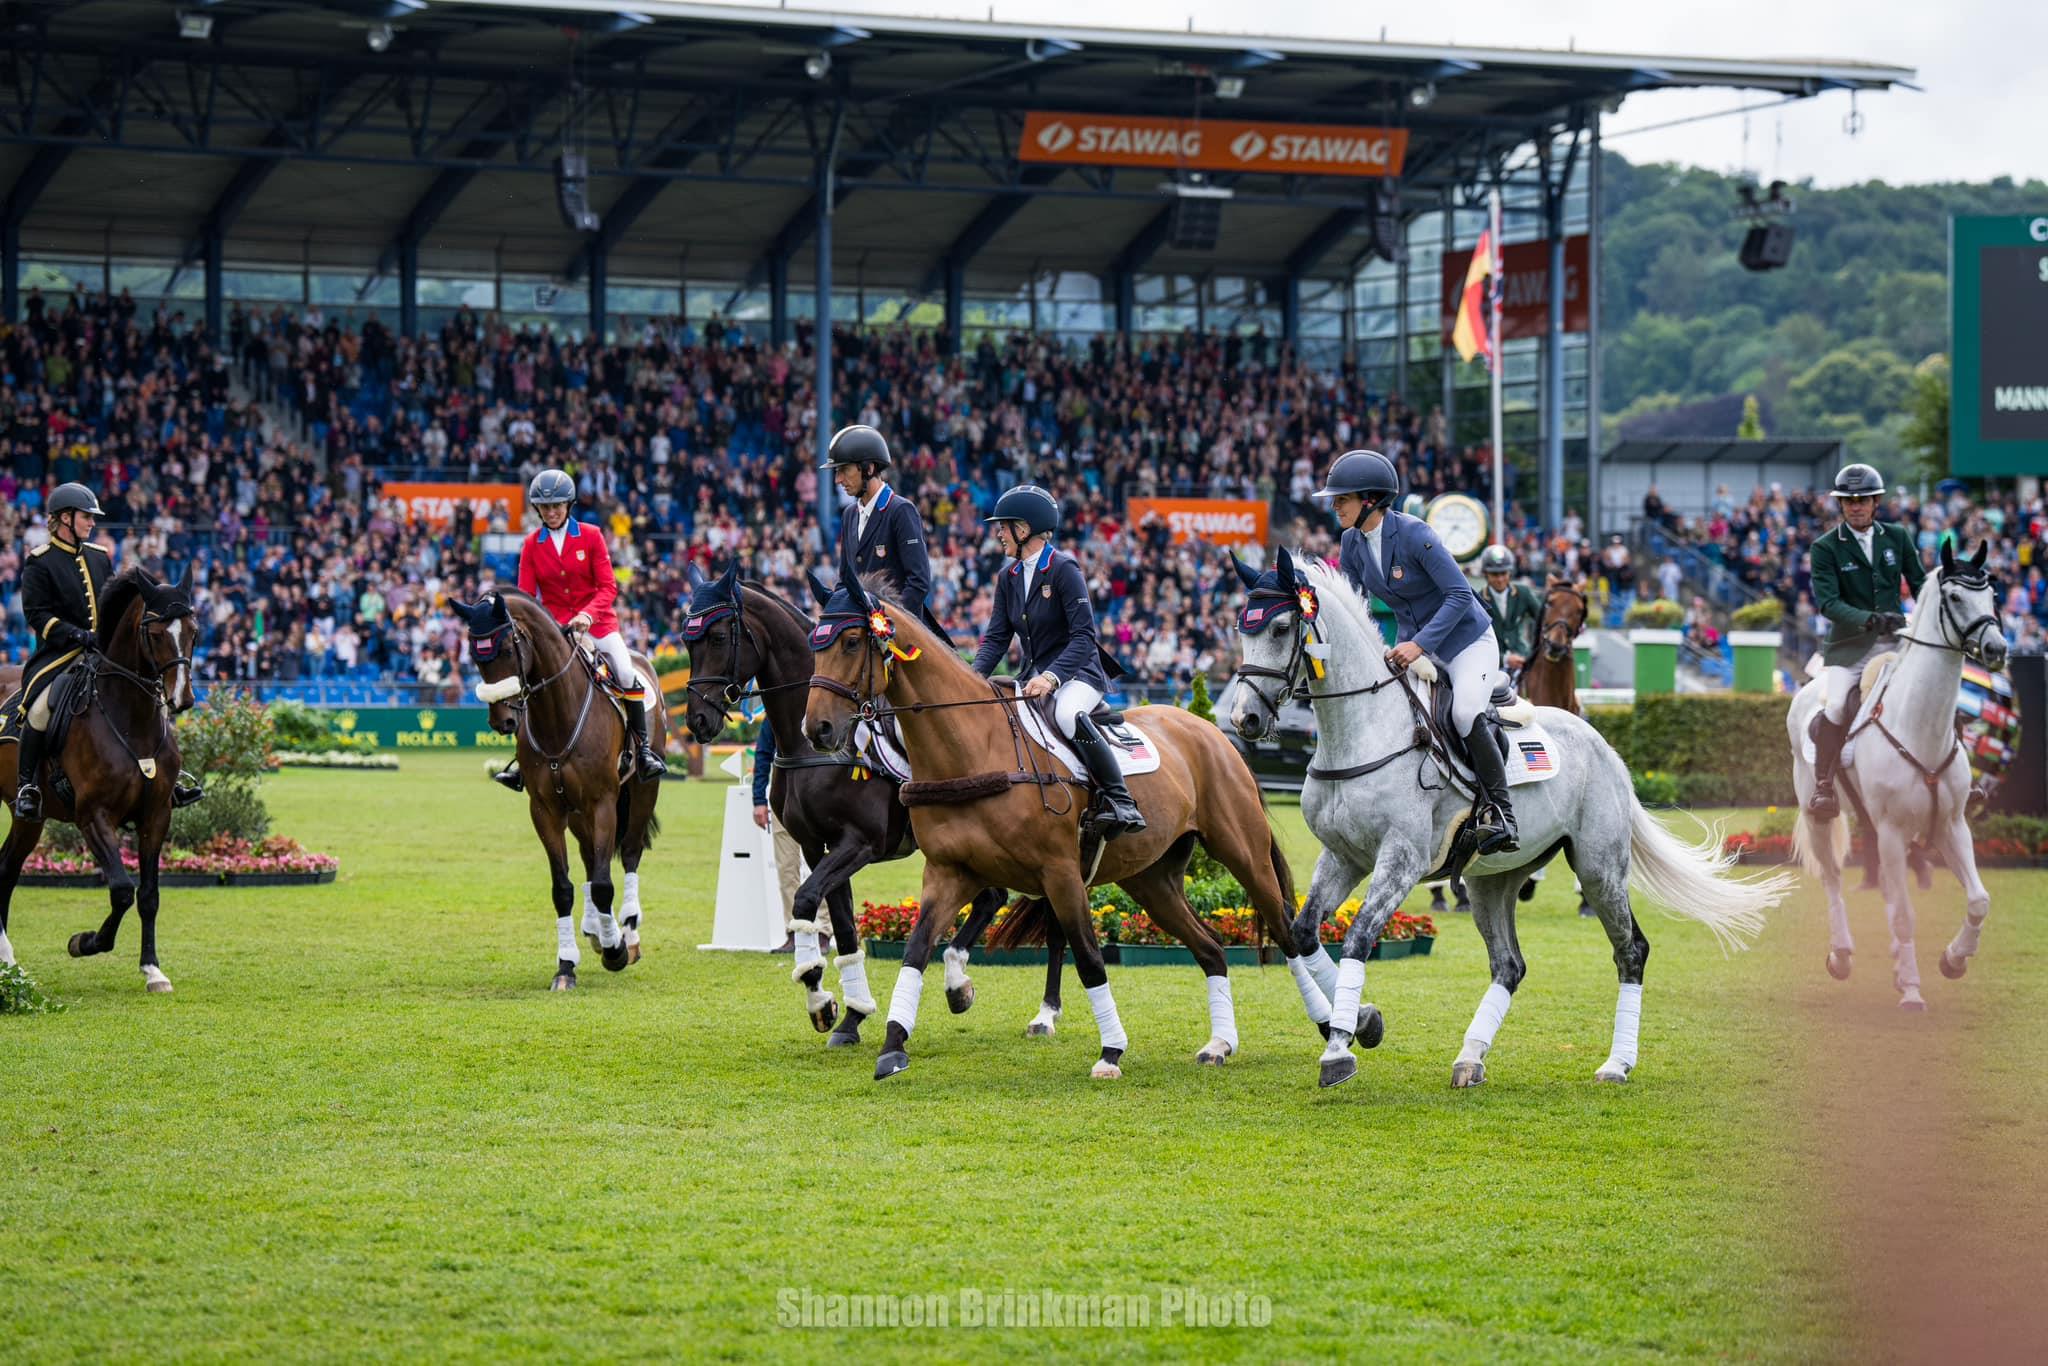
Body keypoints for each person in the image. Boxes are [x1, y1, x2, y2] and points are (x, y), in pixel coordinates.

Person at [1319, 450, 1517, 854]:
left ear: (1369, 500)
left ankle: (1501, 812)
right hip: (1414, 644)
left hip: (1466, 643)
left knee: (1463, 713)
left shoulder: (1416, 534)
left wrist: (1419, 644)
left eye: (1342, 498)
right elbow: (1354, 608)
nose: (1335, 505)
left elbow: (1461, 594)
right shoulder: (1351, 542)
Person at [971, 484, 1143, 840]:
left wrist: (1051, 678)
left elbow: (1084, 637)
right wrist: (971, 678)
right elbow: (998, 637)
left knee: (1067, 715)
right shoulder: (1008, 577)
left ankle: (1120, 799)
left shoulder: (1064, 568)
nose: (998, 533)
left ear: (1023, 529)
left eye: (1003, 526)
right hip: (1032, 674)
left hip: (1078, 674)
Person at [492, 468, 664, 792]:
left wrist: (587, 614)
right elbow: (527, 597)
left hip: (597, 624)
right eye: (545, 507)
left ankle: (642, 751)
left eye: (557, 505)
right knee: (528, 682)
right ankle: (521, 762)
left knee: (626, 673)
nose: (552, 512)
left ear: (568, 505)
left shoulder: (591, 535)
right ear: (538, 510)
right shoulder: (531, 545)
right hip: (555, 632)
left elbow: (608, 587)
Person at [1807, 462, 1926, 821]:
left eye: (1863, 500)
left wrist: (1929, 617)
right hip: (1850, 648)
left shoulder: (1898, 537)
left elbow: (1920, 583)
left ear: (1876, 502)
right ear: (1841, 505)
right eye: (1849, 501)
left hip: (1896, 642)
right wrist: (1869, 619)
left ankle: (1959, 777)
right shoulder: (1825, 548)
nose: (1856, 506)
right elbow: (1828, 603)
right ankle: (1824, 786)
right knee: (1838, 706)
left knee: (1931, 691)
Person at [822, 424, 937, 629]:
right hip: (862, 635)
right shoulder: (849, 515)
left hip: (899, 636)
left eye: (844, 470)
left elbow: (918, 582)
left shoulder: (901, 511)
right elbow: (845, 580)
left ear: (869, 468)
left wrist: (885, 623)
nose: (838, 479)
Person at [753, 719, 807, 954]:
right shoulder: (774, 716)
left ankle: (825, 929)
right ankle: (793, 930)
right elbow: (763, 755)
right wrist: (758, 800)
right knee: (786, 868)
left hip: (819, 798)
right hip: (783, 798)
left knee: (823, 866)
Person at [1477, 544, 1543, 677]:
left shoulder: (1523, 593)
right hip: (1493, 664)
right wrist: (1504, 659)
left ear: (1510, 573)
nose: (1500, 579)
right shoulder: (1479, 601)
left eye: (1503, 573)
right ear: (1485, 574)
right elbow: (1477, 640)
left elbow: (1543, 618)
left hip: (1523, 658)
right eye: (1495, 574)